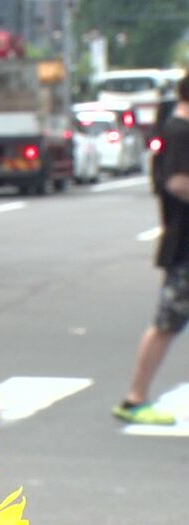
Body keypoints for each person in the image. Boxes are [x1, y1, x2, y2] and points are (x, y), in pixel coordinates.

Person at [114, 73, 189, 425]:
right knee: (165, 323)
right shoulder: (180, 132)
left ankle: (135, 397)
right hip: (185, 245)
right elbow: (177, 182)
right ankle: (135, 398)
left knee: (166, 323)